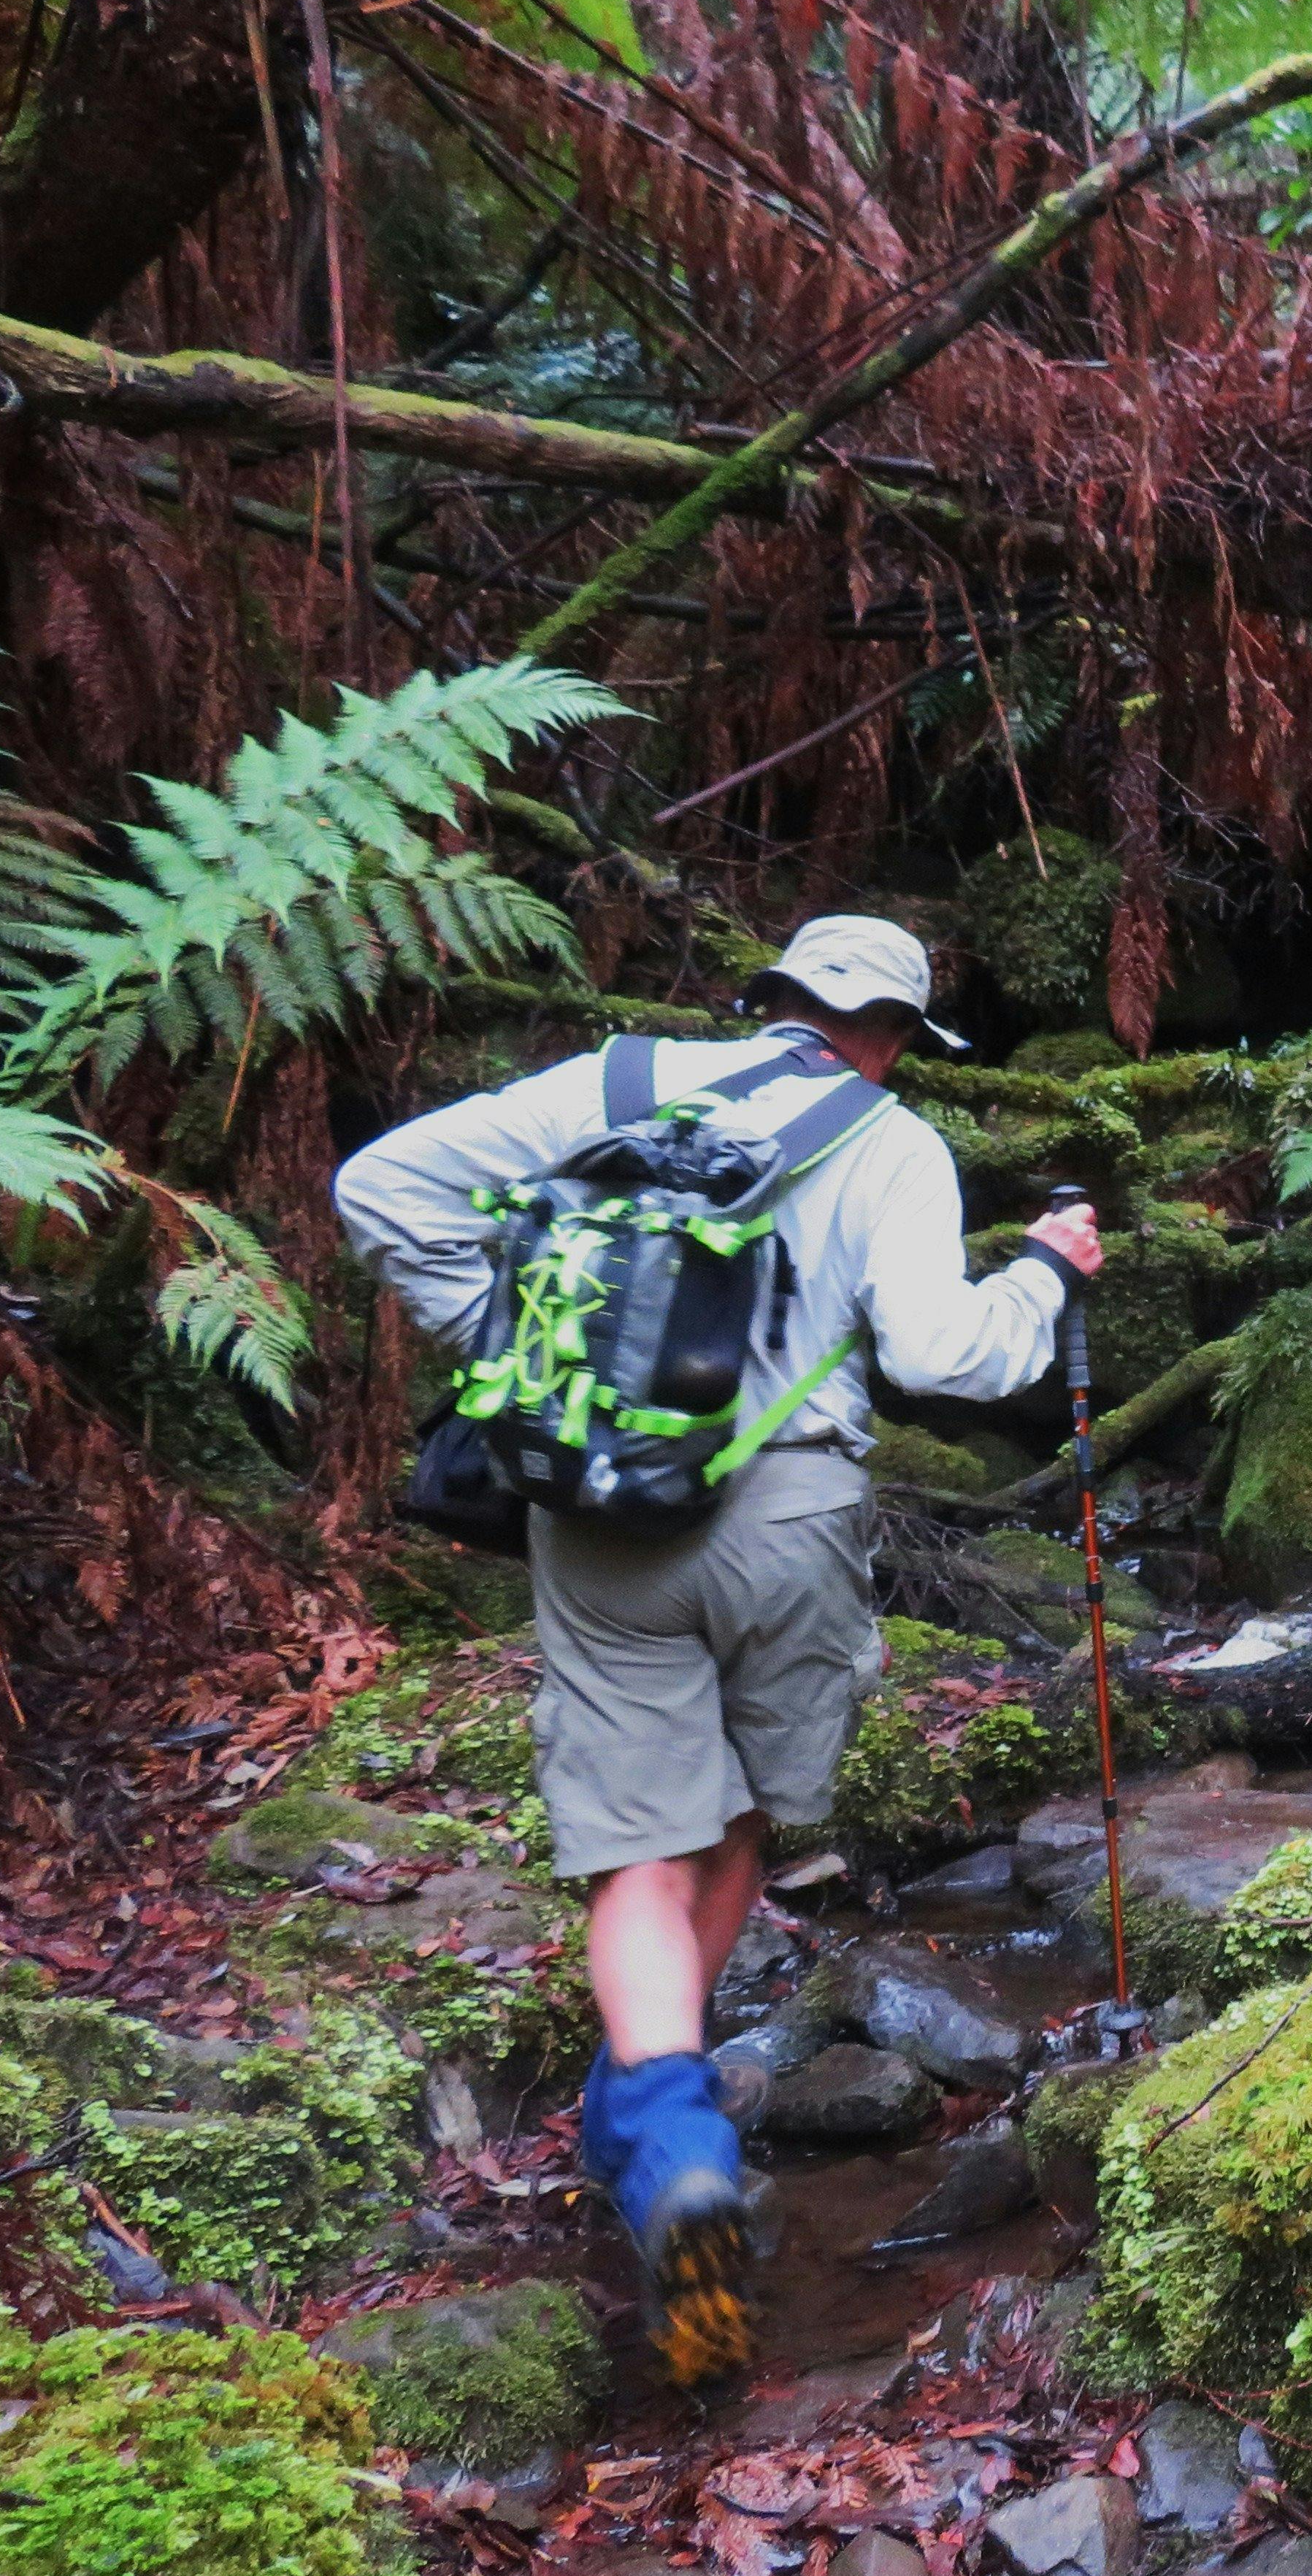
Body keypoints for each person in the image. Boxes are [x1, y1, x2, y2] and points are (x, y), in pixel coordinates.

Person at [335, 915, 1100, 2381]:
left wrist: (510, 1350)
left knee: (634, 1850)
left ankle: (661, 2130)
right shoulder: (890, 1145)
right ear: (894, 1037)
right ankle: (656, 2122)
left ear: (770, 1005)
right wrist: (1049, 1276)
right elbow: (950, 1356)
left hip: (595, 1512)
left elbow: (382, 1188)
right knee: (749, 1808)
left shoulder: (617, 1086)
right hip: (786, 1514)